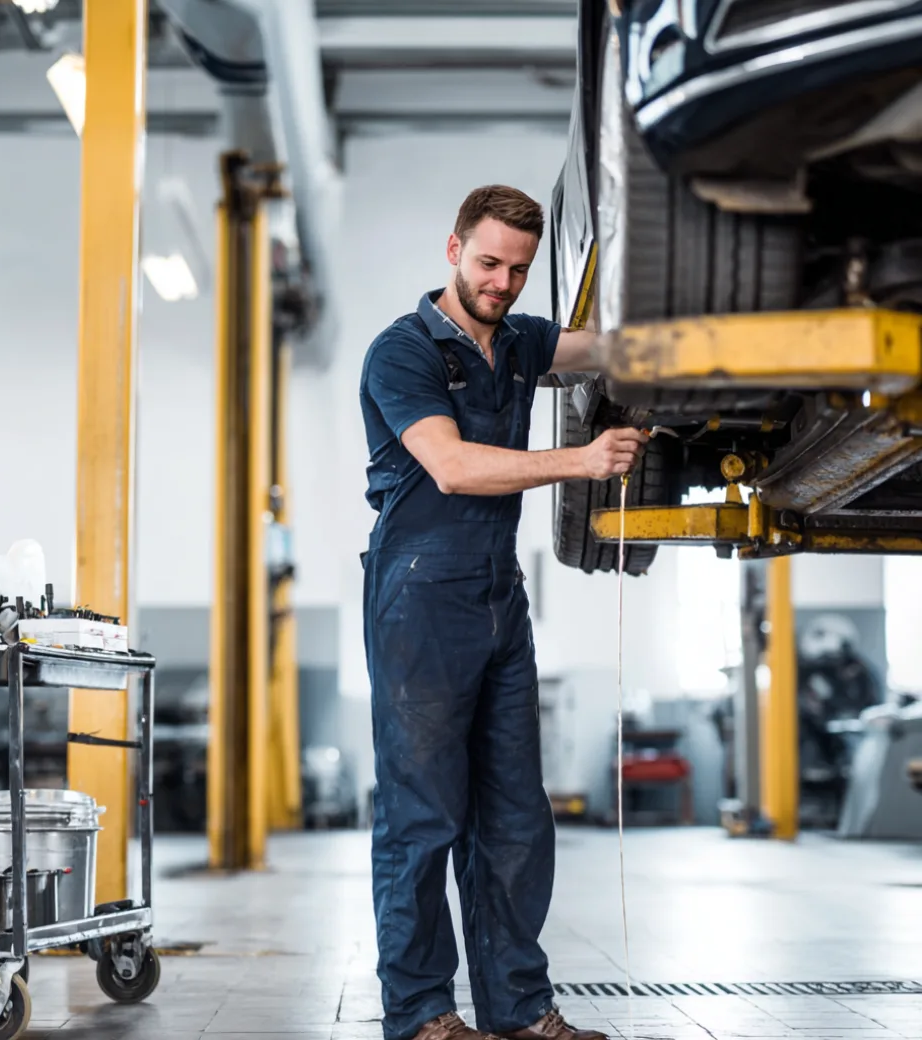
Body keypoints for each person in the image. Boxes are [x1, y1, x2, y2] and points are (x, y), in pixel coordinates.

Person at [359, 184, 648, 1040]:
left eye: (519, 270)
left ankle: (519, 1008)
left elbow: (608, 347)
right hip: (419, 593)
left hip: (496, 594)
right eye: (488, 264)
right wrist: (582, 459)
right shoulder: (401, 351)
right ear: (453, 250)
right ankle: (422, 1013)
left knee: (517, 816)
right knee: (423, 816)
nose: (502, 283)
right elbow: (452, 467)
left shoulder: (519, 341)